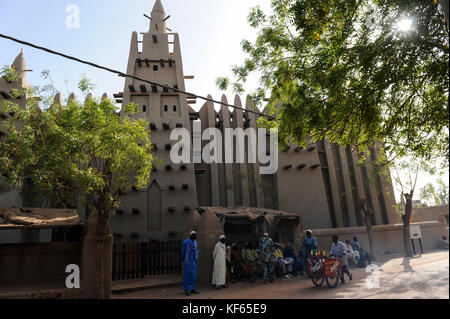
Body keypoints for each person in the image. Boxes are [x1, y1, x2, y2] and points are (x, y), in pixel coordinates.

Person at [181, 231, 200, 296]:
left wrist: (197, 258)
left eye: (196, 235)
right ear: (191, 235)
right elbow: (183, 251)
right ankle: (187, 290)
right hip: (187, 261)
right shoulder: (186, 242)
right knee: (187, 276)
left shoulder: (195, 243)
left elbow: (197, 251)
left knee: (193, 276)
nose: (195, 236)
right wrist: (182, 259)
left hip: (193, 262)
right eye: (194, 235)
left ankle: (192, 289)